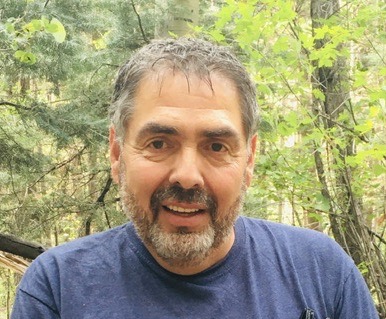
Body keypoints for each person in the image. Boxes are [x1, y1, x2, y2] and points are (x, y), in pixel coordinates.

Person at [12, 38, 379, 319]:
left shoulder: (321, 271)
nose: (188, 178)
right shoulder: (58, 286)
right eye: (159, 143)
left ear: (248, 158)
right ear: (116, 153)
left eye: (216, 146)